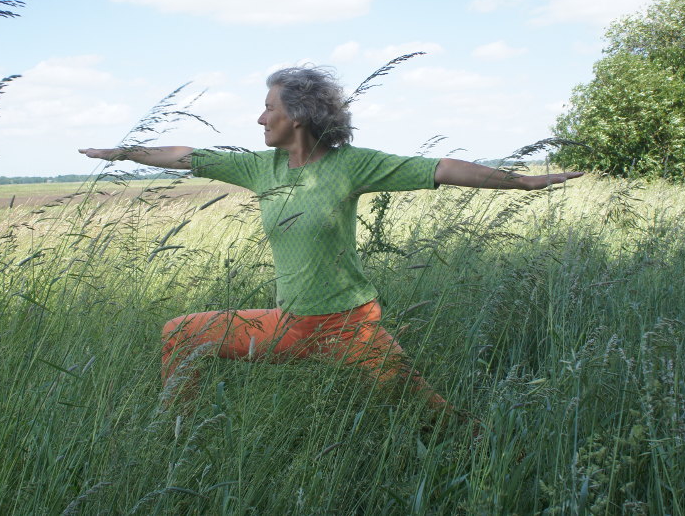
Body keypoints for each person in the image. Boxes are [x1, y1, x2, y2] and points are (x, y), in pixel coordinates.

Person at [80, 66, 582, 421]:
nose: (259, 119)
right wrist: (125, 151)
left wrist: (519, 181)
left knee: (435, 416)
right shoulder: (261, 168)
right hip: (289, 327)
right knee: (181, 332)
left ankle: (485, 448)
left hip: (350, 327)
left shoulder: (350, 164)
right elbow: (187, 156)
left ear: (296, 116)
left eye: (267, 108)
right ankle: (173, 439)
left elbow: (441, 168)